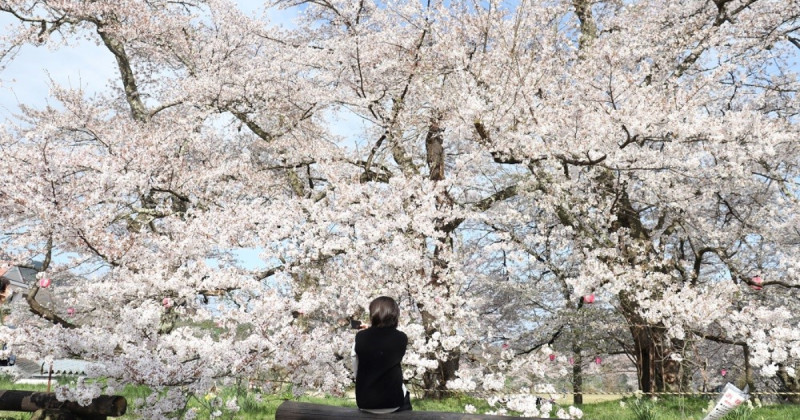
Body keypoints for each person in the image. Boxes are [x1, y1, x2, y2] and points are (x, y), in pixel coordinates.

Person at [353, 296, 412, 413]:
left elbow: (355, 363)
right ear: (395, 315)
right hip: (394, 403)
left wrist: (368, 331)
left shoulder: (360, 337)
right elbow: (383, 344)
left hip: (365, 403)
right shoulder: (401, 338)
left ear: (372, 314)